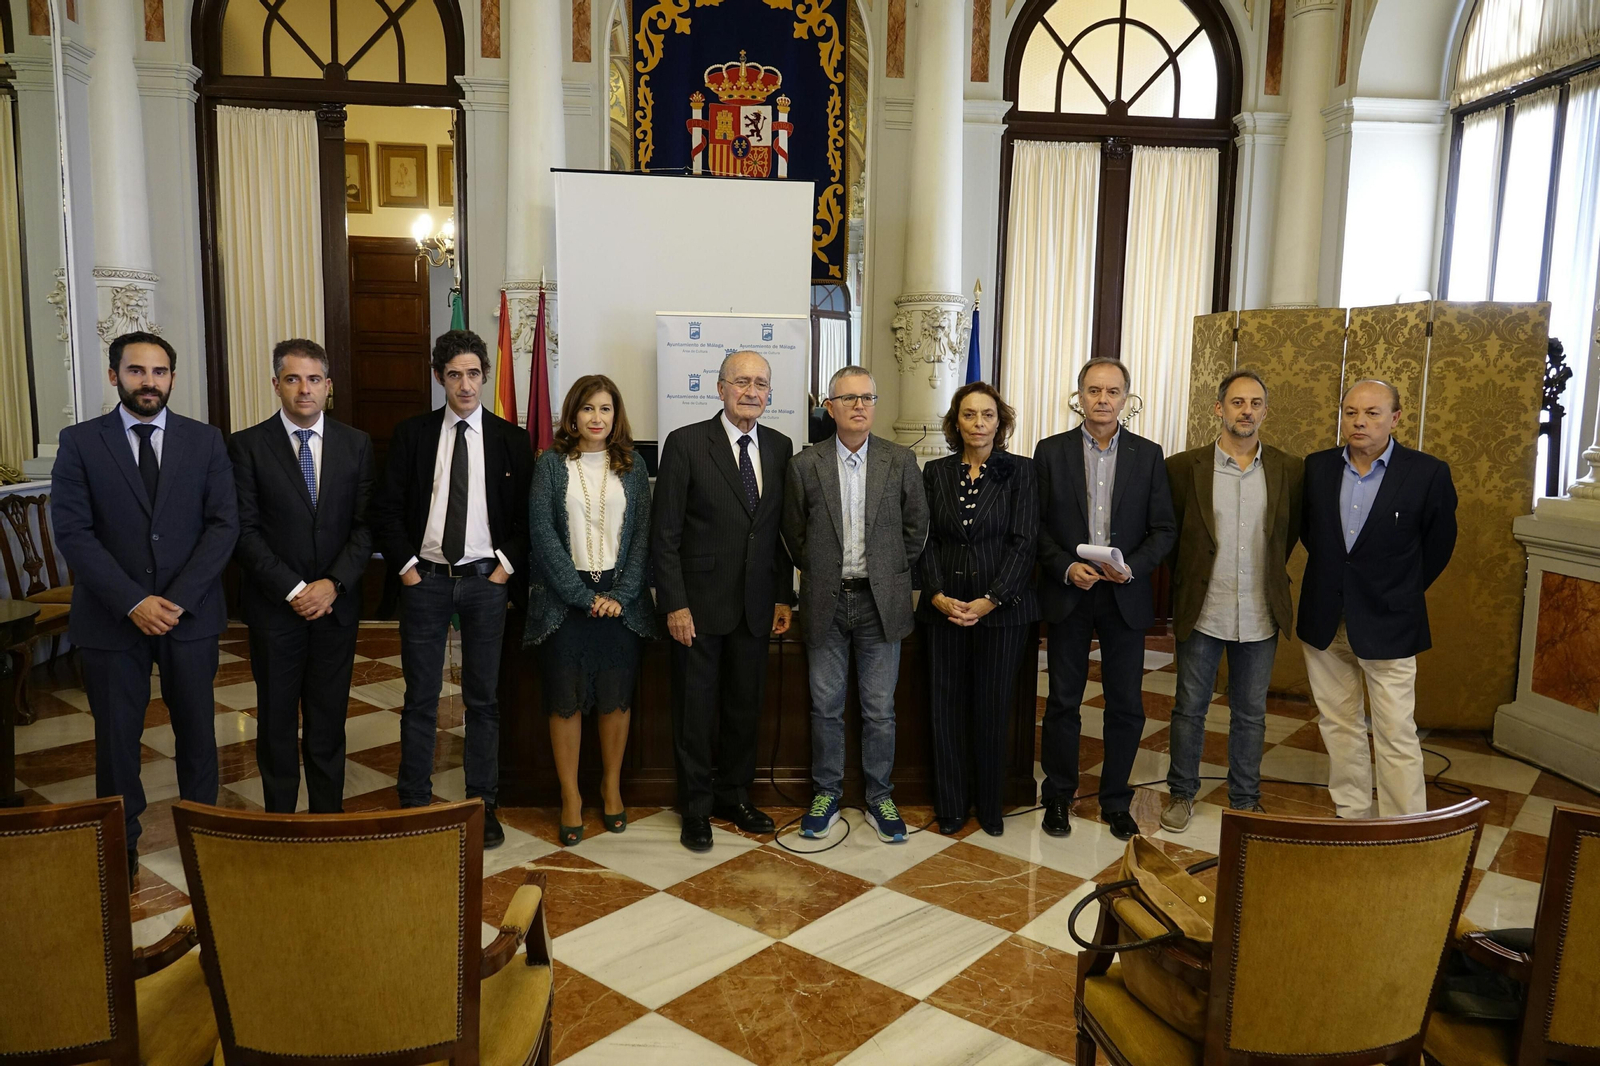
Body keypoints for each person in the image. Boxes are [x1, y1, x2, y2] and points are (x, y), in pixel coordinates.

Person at [50, 332, 238, 878]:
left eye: (159, 372)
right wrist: (134, 600)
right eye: (136, 371)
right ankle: (120, 845)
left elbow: (223, 526)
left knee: (198, 732)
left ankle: (204, 832)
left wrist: (175, 601)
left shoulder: (205, 442)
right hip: (112, 617)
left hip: (190, 614)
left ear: (172, 379)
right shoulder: (80, 442)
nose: (148, 382)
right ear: (115, 377)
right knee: (115, 740)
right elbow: (74, 532)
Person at [370, 329, 533, 849]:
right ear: (440, 378)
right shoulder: (413, 433)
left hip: (487, 582)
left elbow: (529, 514)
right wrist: (407, 571)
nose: (466, 384)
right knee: (420, 698)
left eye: (474, 373)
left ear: (485, 376)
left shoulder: (511, 438)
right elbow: (387, 509)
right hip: (427, 582)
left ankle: (482, 803)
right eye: (455, 374)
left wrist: (505, 567)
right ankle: (414, 801)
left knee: (482, 700)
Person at [652, 351, 795, 852]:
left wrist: (783, 596)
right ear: (720, 388)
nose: (752, 391)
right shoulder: (686, 443)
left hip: (756, 607)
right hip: (697, 607)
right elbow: (664, 534)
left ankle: (733, 796)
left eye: (761, 383)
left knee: (743, 708)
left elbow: (776, 532)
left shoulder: (780, 447)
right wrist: (674, 603)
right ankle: (695, 808)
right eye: (742, 382)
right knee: (694, 712)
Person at [1298, 379, 1457, 818]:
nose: (1359, 422)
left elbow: (1439, 544)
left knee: (1395, 731)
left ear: (1395, 418)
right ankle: (1351, 809)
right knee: (1338, 723)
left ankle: (1403, 824)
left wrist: (1397, 588)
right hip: (1325, 617)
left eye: (1371, 413)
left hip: (1390, 621)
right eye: (1351, 412)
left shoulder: (1427, 473)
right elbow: (1314, 536)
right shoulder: (1317, 467)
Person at [783, 366, 928, 843]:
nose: (859, 406)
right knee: (825, 707)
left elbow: (916, 530)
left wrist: (887, 572)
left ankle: (879, 796)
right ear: (830, 407)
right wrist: (822, 570)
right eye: (848, 399)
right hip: (825, 600)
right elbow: (793, 533)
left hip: (879, 603)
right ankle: (825, 794)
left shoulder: (899, 461)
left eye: (867, 397)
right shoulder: (806, 464)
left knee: (879, 709)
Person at [229, 339, 375, 814]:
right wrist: (295, 589)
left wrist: (332, 584)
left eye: (314, 379)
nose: (304, 389)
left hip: (336, 608)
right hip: (276, 610)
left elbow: (364, 526)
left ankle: (327, 820)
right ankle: (280, 823)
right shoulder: (247, 445)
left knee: (328, 720)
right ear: (276, 385)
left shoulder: (356, 444)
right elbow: (244, 531)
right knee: (275, 721)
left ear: (328, 386)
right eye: (292, 379)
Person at [1035, 357, 1176, 841]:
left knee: (1125, 704)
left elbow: (1164, 529)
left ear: (1126, 400)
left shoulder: (1148, 454)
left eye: (1112, 392)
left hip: (1124, 595)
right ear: (1079, 397)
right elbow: (1036, 528)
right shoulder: (1050, 452)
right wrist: (1065, 567)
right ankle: (1058, 794)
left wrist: (1130, 567)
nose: (1102, 400)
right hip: (1070, 592)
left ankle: (1117, 799)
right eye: (1093, 391)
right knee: (1062, 702)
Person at [1160, 369, 1303, 832]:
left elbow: (1288, 532)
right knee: (1189, 709)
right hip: (1204, 608)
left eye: (1256, 403)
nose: (1247, 411)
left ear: (1266, 410)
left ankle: (1244, 799)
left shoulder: (1288, 469)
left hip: (1260, 609)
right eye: (1237, 402)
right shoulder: (1184, 467)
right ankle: (1181, 793)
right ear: (1219, 408)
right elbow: (1173, 534)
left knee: (1251, 714)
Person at [526, 376, 659, 846]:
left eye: (605, 409)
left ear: (616, 415)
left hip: (620, 599)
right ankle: (569, 796)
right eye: (587, 409)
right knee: (566, 703)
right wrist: (582, 597)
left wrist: (620, 595)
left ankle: (611, 787)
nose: (596, 418)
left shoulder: (634, 465)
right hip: (566, 601)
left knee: (615, 699)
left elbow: (643, 536)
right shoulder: (551, 465)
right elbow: (542, 535)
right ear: (572, 415)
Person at [918, 382, 1039, 837]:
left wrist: (991, 599)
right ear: (956, 422)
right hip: (944, 610)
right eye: (969, 415)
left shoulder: (1021, 472)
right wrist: (933, 593)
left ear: (1000, 422)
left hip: (1002, 614)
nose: (978, 424)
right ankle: (950, 805)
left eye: (987, 415)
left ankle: (990, 805)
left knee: (992, 710)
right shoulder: (935, 472)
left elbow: (1024, 542)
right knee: (944, 709)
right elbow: (924, 540)